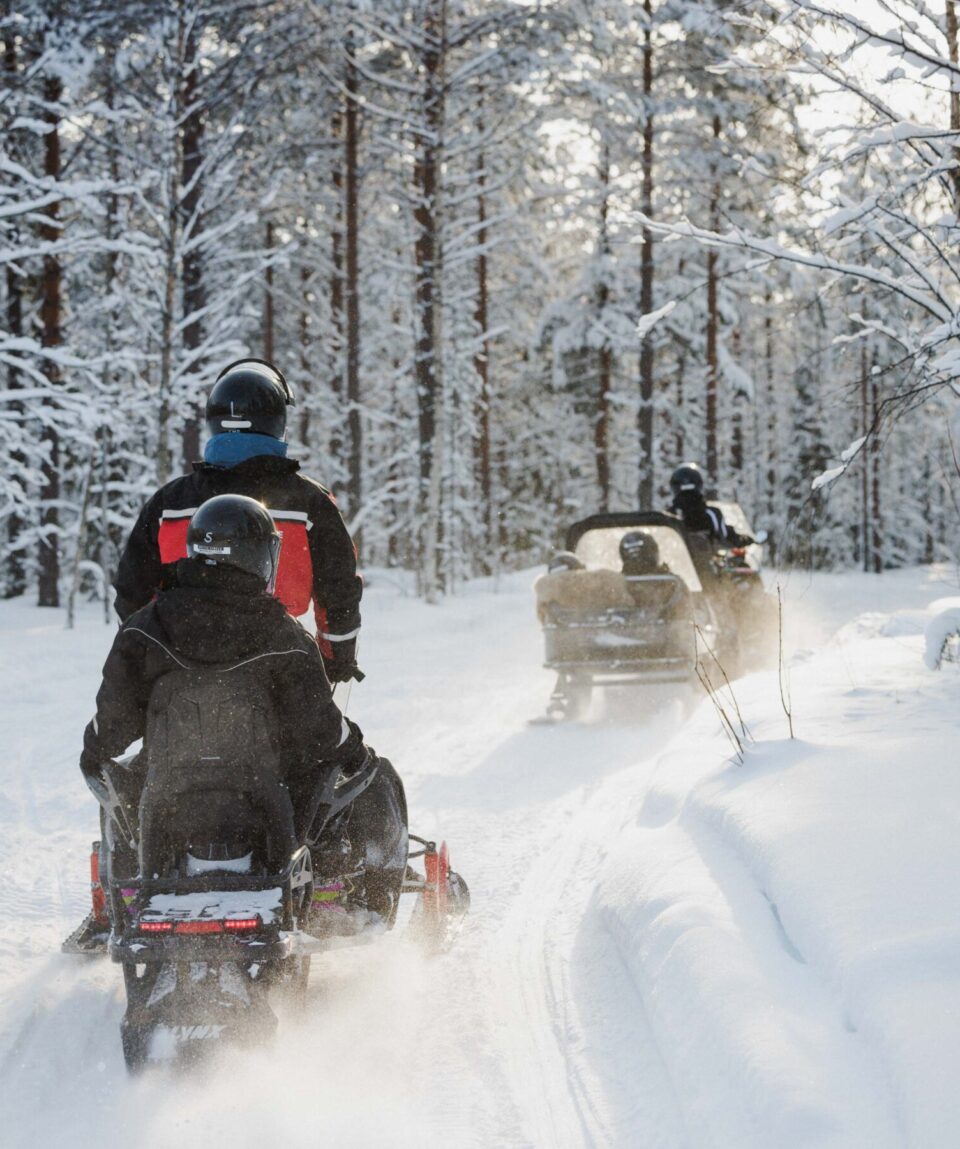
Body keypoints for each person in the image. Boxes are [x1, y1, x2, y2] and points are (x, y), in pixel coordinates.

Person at [78, 496, 406, 939]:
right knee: (373, 775)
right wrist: (356, 749)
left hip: (169, 800)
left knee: (113, 778)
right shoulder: (285, 636)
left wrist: (93, 749)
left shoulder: (143, 627)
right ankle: (355, 901)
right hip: (269, 801)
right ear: (259, 557)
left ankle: (119, 895)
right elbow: (322, 734)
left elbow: (112, 728)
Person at [113, 358, 362, 684]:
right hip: (278, 665)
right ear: (277, 422)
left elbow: (132, 593)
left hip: (179, 669)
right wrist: (336, 660)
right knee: (323, 734)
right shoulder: (311, 504)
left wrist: (141, 661)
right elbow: (338, 593)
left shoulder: (168, 503)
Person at [668, 463, 754, 547]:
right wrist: (741, 539)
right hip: (706, 560)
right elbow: (724, 536)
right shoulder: (711, 513)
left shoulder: (669, 515)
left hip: (673, 560)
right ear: (698, 484)